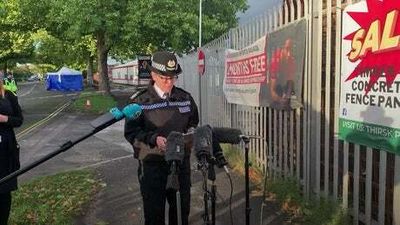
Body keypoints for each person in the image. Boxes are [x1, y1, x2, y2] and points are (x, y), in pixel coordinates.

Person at [124, 51, 199, 225]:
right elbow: (132, 133)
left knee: (181, 214)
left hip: (180, 166)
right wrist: (153, 139)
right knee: (154, 215)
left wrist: (188, 135)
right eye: (164, 77)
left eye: (173, 77)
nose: (169, 82)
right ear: (153, 75)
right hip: (152, 167)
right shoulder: (139, 102)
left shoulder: (185, 98)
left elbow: (193, 122)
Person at [0, 74, 23, 225]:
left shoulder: (8, 95)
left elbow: (19, 120)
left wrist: (5, 119)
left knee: (4, 191)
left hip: (5, 151)